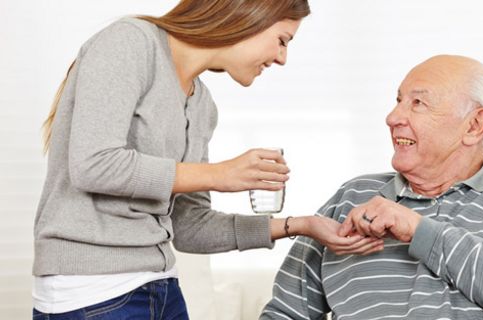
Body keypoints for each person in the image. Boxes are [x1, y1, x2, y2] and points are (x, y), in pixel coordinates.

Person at [32, 0, 384, 318]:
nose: (282, 58)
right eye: (282, 40)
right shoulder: (131, 42)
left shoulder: (202, 106)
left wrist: (300, 225)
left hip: (163, 289)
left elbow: (189, 228)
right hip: (91, 293)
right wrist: (218, 174)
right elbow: (93, 164)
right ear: (248, 14)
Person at [260, 55, 483, 319]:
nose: (392, 117)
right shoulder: (353, 196)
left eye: (418, 103)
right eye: (398, 101)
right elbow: (285, 312)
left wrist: (417, 229)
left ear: (474, 125)